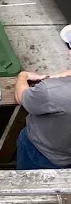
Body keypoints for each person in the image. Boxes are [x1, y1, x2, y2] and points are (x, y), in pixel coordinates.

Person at [14, 25, 71, 168]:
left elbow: (22, 98)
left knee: (27, 185)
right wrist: (49, 77)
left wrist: (23, 76)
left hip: (43, 154)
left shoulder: (50, 91)